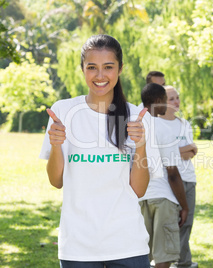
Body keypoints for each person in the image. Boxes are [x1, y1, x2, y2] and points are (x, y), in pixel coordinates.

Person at [39, 34, 160, 267]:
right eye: (92, 67)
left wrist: (141, 146)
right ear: (82, 68)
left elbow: (139, 189)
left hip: (127, 243)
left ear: (120, 69)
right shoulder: (63, 111)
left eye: (108, 67)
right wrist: (56, 145)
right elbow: (56, 181)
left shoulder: (137, 118)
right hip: (78, 246)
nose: (100, 75)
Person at [139, 83, 189, 268]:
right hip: (163, 197)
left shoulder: (131, 124)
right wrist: (184, 206)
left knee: (139, 252)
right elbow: (173, 173)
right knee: (163, 256)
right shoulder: (162, 127)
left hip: (139, 197)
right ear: (159, 101)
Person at [159, 86, 198, 268]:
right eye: (171, 99)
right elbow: (165, 154)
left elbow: (190, 153)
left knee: (186, 222)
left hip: (188, 178)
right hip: (167, 180)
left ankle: (183, 262)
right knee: (170, 224)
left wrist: (178, 150)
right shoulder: (156, 124)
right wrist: (184, 149)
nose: (176, 102)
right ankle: (170, 261)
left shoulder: (184, 124)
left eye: (177, 98)